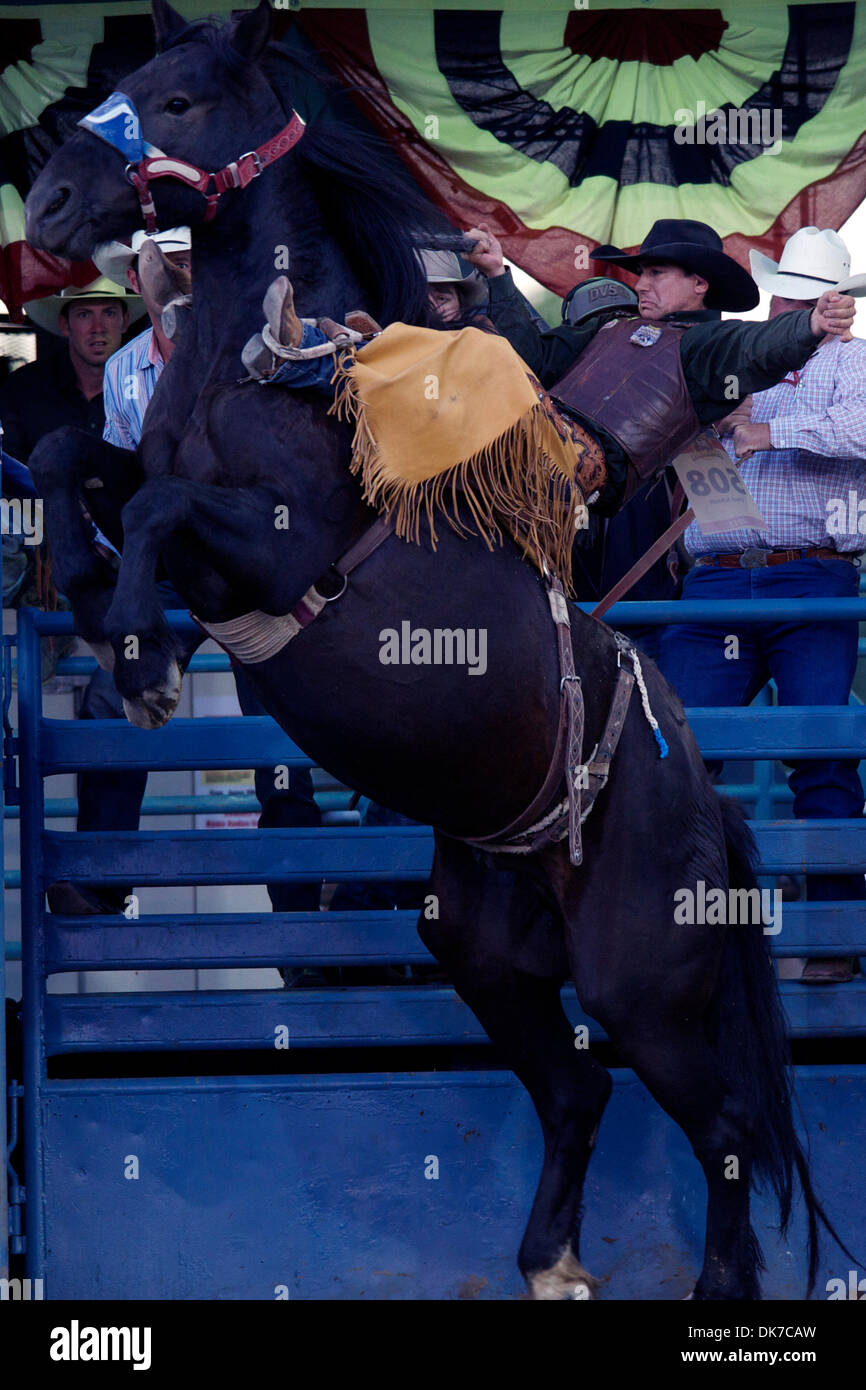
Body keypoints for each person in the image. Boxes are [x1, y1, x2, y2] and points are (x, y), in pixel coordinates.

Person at [46, 230, 322, 920]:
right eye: (163, 263)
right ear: (139, 278)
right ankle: (103, 882)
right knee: (116, 701)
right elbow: (116, 478)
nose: (177, 275)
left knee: (278, 736)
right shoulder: (126, 370)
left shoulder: (252, 353)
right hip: (173, 565)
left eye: (190, 261)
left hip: (250, 569)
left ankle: (300, 928)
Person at [656, 227, 866, 984]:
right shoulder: (740, 359)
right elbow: (692, 436)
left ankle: (833, 934)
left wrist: (766, 428)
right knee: (674, 754)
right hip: (723, 575)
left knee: (820, 755)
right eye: (788, 293)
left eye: (808, 296)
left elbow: (863, 431)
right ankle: (681, 935)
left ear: (832, 304)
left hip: (810, 575)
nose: (793, 304)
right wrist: (715, 482)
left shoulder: (855, 362)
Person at [463, 218, 856, 516]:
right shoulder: (612, 325)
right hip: (541, 475)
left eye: (656, 273)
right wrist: (497, 274)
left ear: (699, 284)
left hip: (590, 493)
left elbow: (757, 344)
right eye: (641, 274)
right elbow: (532, 361)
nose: (641, 285)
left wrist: (810, 324)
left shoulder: (707, 343)